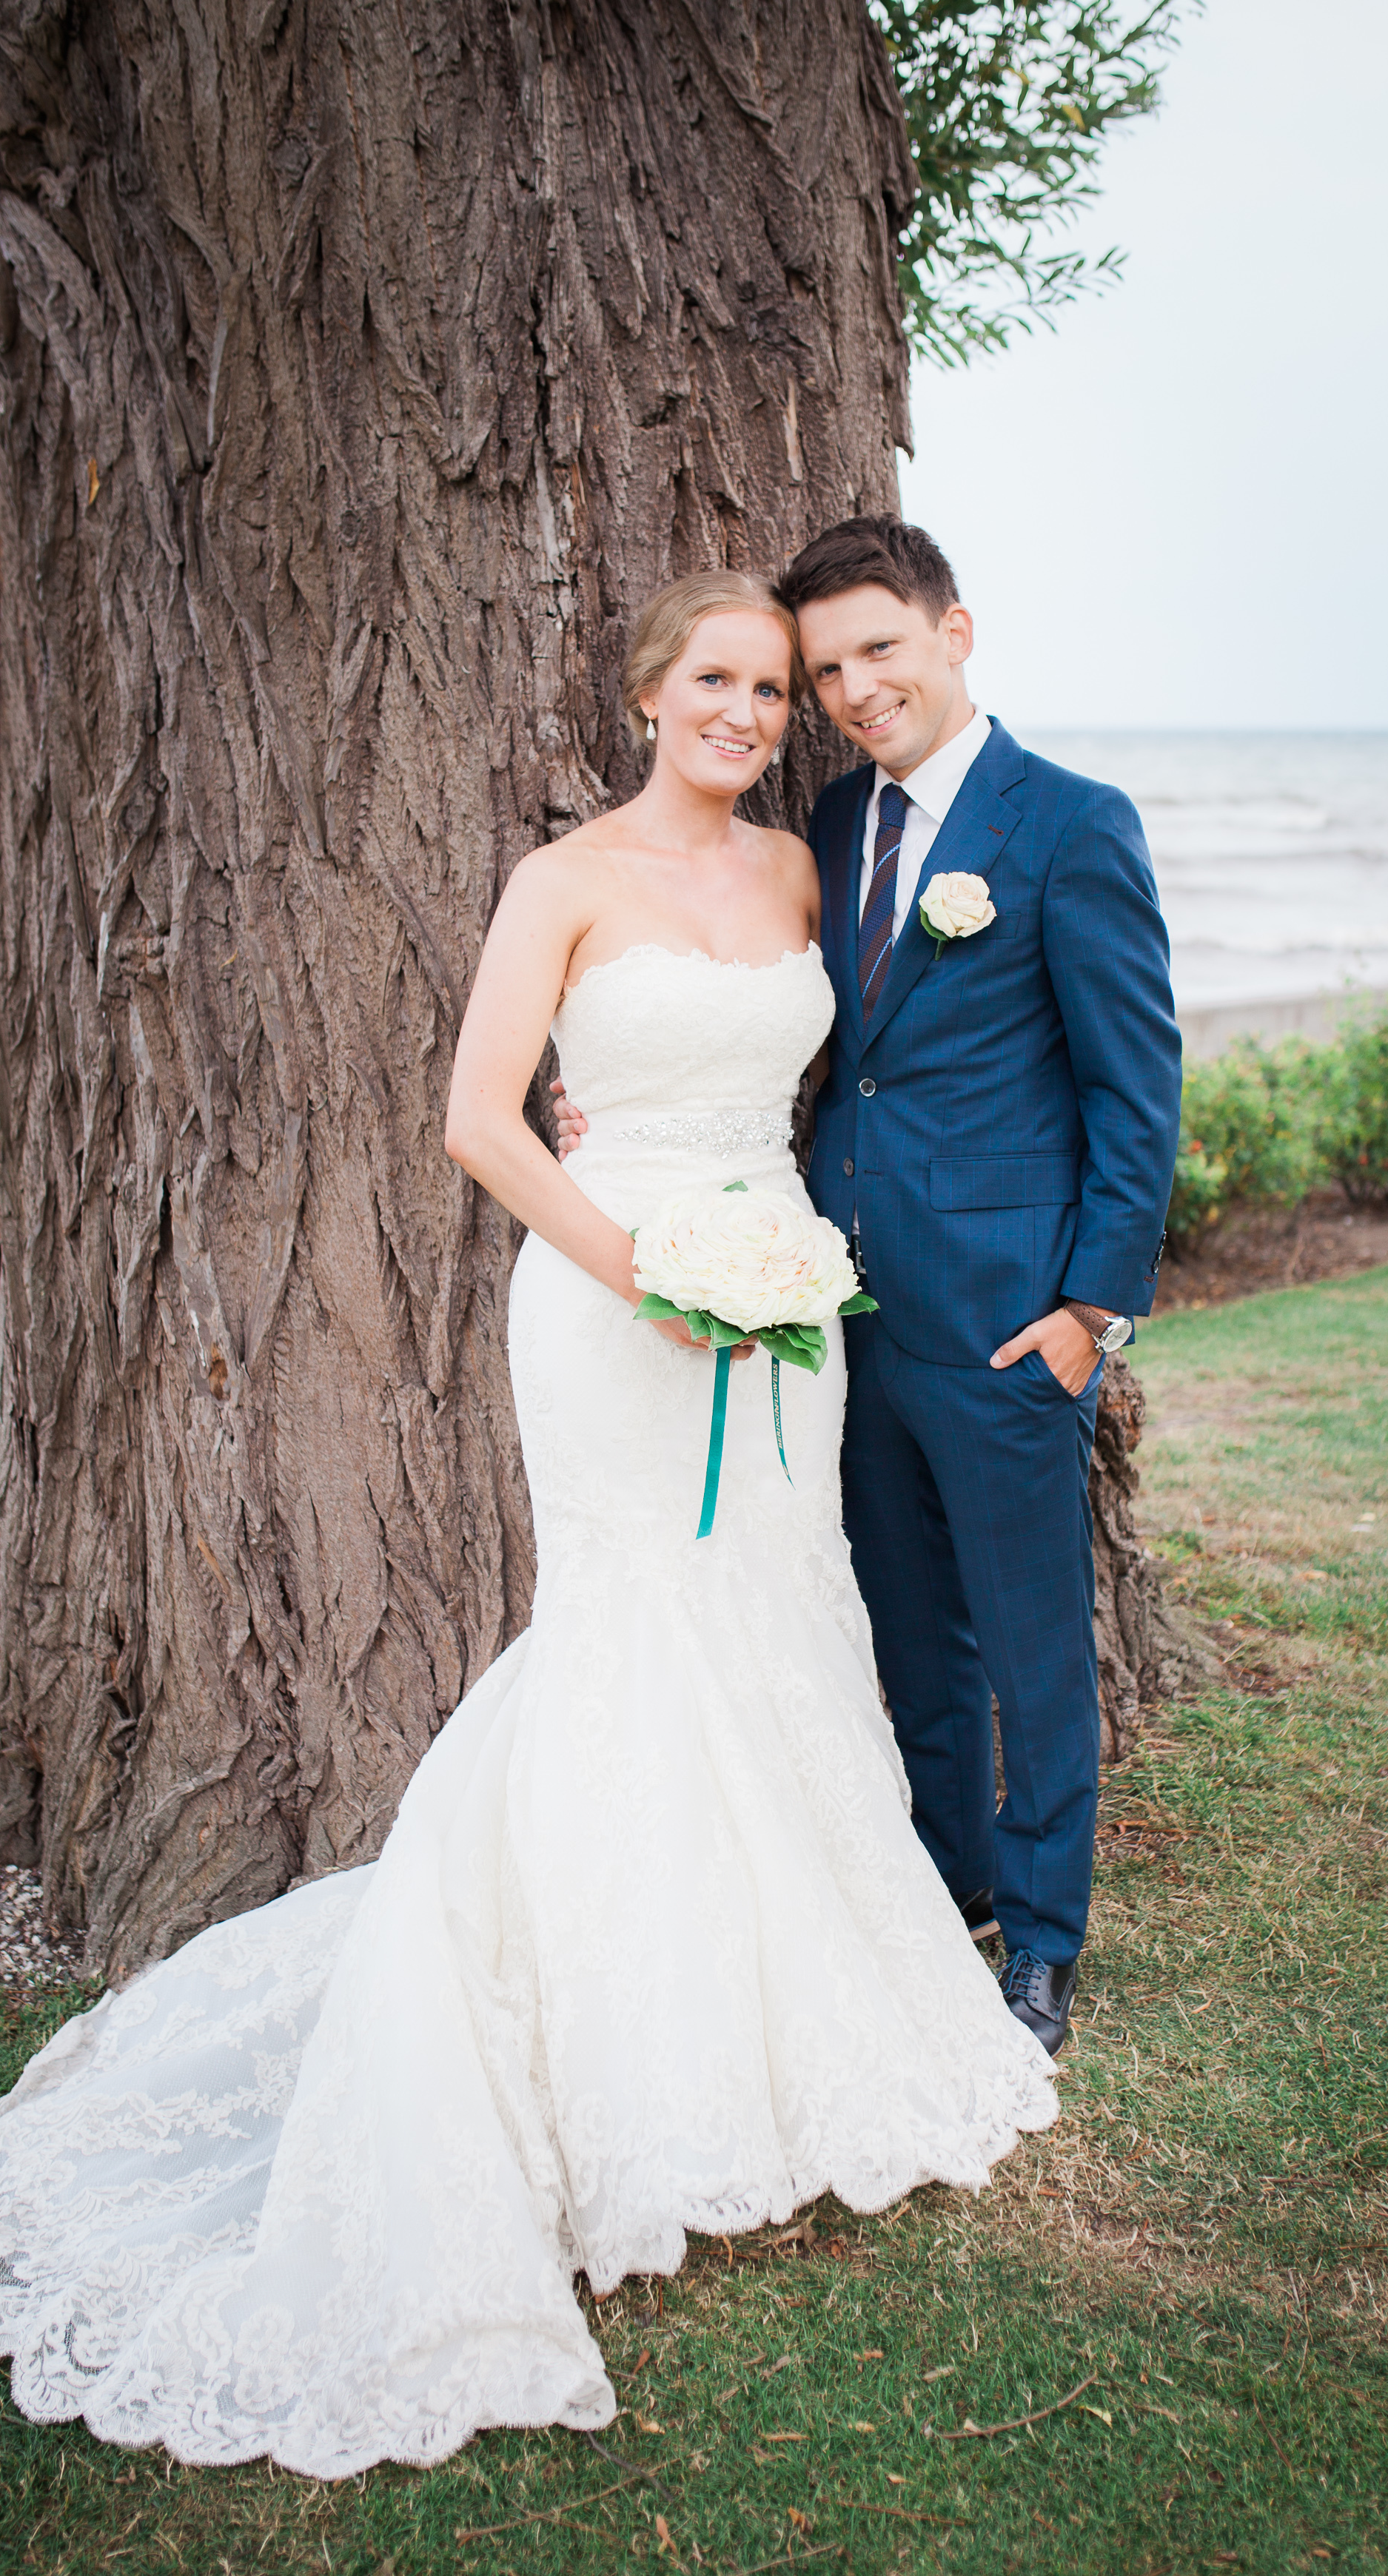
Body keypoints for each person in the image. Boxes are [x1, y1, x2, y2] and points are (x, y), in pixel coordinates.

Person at [0, 569, 1056, 2482]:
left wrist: (775, 1262)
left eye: (771, 688)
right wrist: (649, 1272)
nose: (747, 712)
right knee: (630, 1630)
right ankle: (607, 2050)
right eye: (716, 680)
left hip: (788, 1310)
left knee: (779, 1616)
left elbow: (849, 1078)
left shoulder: (806, 877)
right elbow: (481, 1120)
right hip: (613, 1310)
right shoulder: (562, 881)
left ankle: (782, 2015)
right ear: (648, 692)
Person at [559, 518, 1182, 2054]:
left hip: (1008, 1321)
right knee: (913, 1638)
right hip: (838, 1315)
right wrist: (610, 1106)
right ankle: (947, 1888)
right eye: (827, 668)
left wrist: (1090, 1312)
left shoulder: (1070, 825)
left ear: (953, 633)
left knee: (1032, 1647)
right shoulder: (834, 827)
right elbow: (797, 1034)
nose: (852, 689)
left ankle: (1043, 1939)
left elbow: (1135, 1087)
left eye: (877, 650)